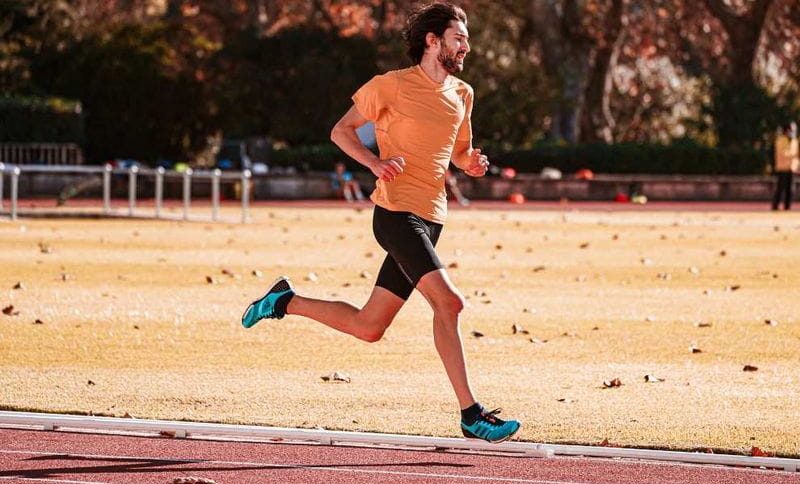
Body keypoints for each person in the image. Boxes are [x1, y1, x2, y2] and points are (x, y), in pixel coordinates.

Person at [241, 2, 520, 443]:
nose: (467, 45)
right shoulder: (390, 86)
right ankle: (472, 414)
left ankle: (284, 301)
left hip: (432, 218)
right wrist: (374, 162)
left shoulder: (462, 94)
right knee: (450, 303)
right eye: (458, 37)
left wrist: (473, 164)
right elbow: (341, 131)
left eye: (466, 38)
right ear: (433, 41)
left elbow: (460, 152)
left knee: (369, 327)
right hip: (395, 214)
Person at [772, 122, 799, 211]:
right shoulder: (780, 140)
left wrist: (797, 165)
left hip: (792, 168)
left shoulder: (795, 141)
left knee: (790, 190)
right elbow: (782, 153)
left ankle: (787, 208)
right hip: (782, 168)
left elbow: (797, 156)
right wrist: (792, 155)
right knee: (780, 189)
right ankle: (775, 207)